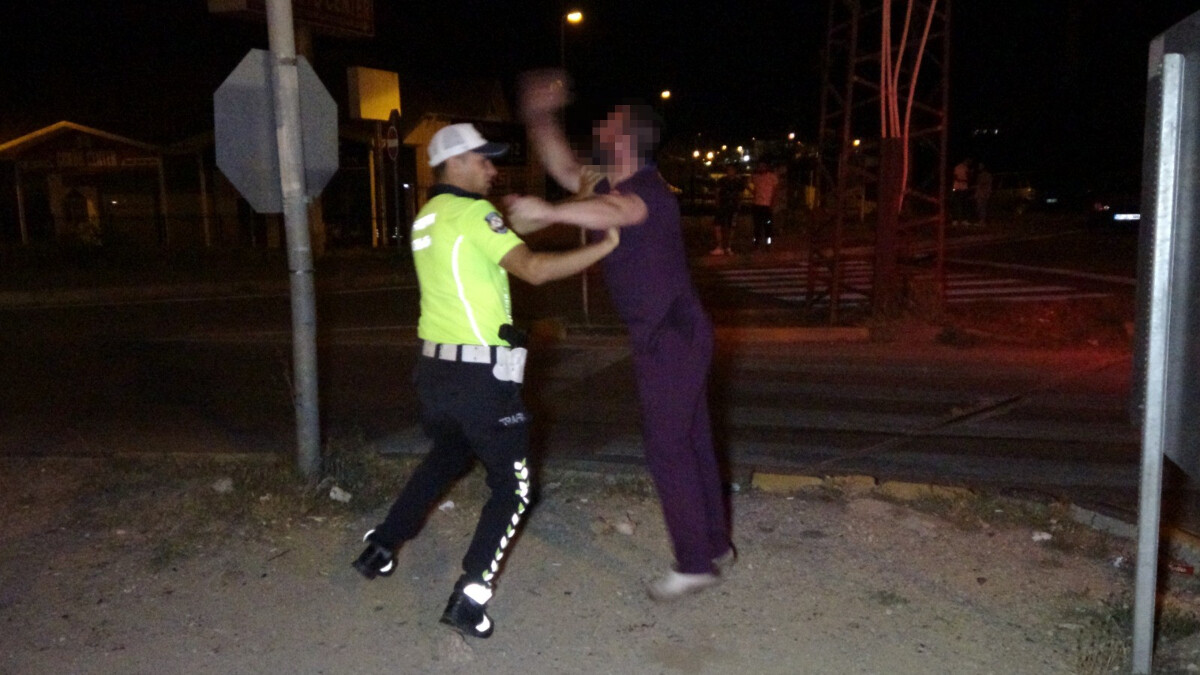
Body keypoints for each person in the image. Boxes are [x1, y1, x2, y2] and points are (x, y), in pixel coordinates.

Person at [352, 123, 620, 639]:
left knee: (447, 457)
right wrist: (605, 246)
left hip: (435, 373)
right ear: (455, 163)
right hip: (480, 378)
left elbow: (505, 233)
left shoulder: (430, 216)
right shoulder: (474, 214)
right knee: (514, 489)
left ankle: (380, 548)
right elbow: (533, 269)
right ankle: (470, 596)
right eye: (483, 160)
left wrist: (578, 201)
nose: (493, 169)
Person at [511, 69, 734, 602]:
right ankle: (714, 543)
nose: (597, 133)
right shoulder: (610, 183)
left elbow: (619, 212)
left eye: (607, 128)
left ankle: (695, 564)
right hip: (674, 331)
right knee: (692, 437)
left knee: (667, 445)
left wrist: (548, 211)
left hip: (670, 333)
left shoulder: (645, 191)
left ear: (628, 140)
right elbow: (566, 170)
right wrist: (539, 116)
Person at [710, 164, 743, 255]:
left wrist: (738, 204)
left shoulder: (738, 182)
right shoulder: (722, 181)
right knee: (718, 226)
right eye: (729, 170)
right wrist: (717, 203)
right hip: (722, 206)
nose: (730, 172)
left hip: (733, 206)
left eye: (732, 170)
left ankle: (728, 247)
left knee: (731, 227)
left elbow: (740, 194)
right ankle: (720, 246)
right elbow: (717, 192)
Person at [750, 161, 779, 248]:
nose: (761, 168)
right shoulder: (755, 177)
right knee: (757, 225)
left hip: (767, 205)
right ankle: (756, 242)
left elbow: (775, 191)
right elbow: (751, 187)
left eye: (763, 166)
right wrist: (754, 194)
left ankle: (768, 243)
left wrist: (773, 203)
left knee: (768, 225)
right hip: (757, 204)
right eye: (760, 166)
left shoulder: (772, 177)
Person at [951, 157, 973, 226]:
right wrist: (965, 179)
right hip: (962, 187)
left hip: (958, 187)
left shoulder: (957, 167)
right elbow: (968, 178)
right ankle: (961, 220)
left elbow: (955, 177)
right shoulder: (965, 168)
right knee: (963, 204)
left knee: (958, 204)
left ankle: (957, 220)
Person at [974, 163, 993, 227]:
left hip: (983, 193)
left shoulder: (986, 175)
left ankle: (982, 221)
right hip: (980, 193)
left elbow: (985, 184)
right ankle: (981, 220)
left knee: (982, 207)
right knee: (980, 207)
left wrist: (986, 193)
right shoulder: (980, 175)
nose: (979, 167)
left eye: (980, 166)